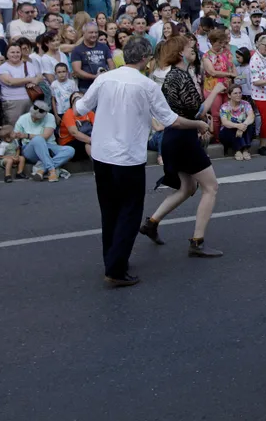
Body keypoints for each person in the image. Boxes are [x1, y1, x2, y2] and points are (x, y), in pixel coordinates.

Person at [76, 36, 210, 287]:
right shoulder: (146, 86)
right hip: (127, 157)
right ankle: (116, 269)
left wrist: (75, 100)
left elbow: (80, 108)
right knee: (129, 211)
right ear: (146, 59)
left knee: (109, 211)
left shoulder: (104, 79)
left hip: (102, 155)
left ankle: (113, 260)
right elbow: (171, 120)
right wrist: (199, 123)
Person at [139, 36, 227, 257]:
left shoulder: (171, 76)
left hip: (173, 138)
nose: (194, 50)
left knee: (187, 187)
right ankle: (197, 241)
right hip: (183, 138)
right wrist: (216, 91)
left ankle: (151, 223)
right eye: (190, 48)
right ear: (180, 53)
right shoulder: (180, 76)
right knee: (211, 187)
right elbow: (197, 111)